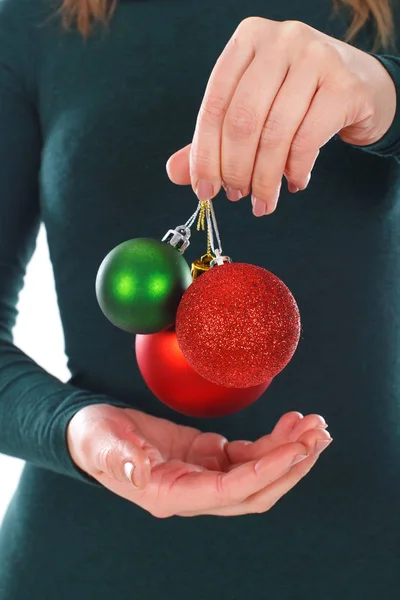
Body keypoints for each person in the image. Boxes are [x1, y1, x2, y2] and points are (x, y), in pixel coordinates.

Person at [0, 0, 399, 597]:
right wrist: (73, 429)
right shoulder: (30, 21)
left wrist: (384, 90)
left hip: (368, 560)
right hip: (81, 567)